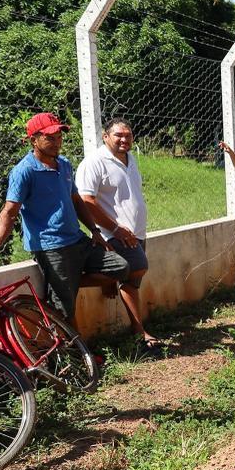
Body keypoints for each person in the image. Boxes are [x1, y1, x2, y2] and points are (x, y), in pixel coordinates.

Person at [0, 113, 129, 331]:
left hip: (77, 240)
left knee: (120, 268)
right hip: (52, 246)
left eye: (59, 136)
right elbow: (9, 211)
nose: (57, 142)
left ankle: (67, 284)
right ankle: (75, 357)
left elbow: (76, 200)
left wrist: (94, 230)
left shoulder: (63, 165)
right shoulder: (24, 171)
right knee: (63, 310)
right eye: (50, 137)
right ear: (33, 140)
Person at [76, 118, 159, 351]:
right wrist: (115, 229)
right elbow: (86, 200)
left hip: (136, 232)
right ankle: (78, 282)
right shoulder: (94, 162)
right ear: (105, 137)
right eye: (118, 135)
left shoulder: (130, 160)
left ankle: (138, 330)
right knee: (137, 268)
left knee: (132, 281)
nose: (124, 139)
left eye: (128, 135)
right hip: (113, 233)